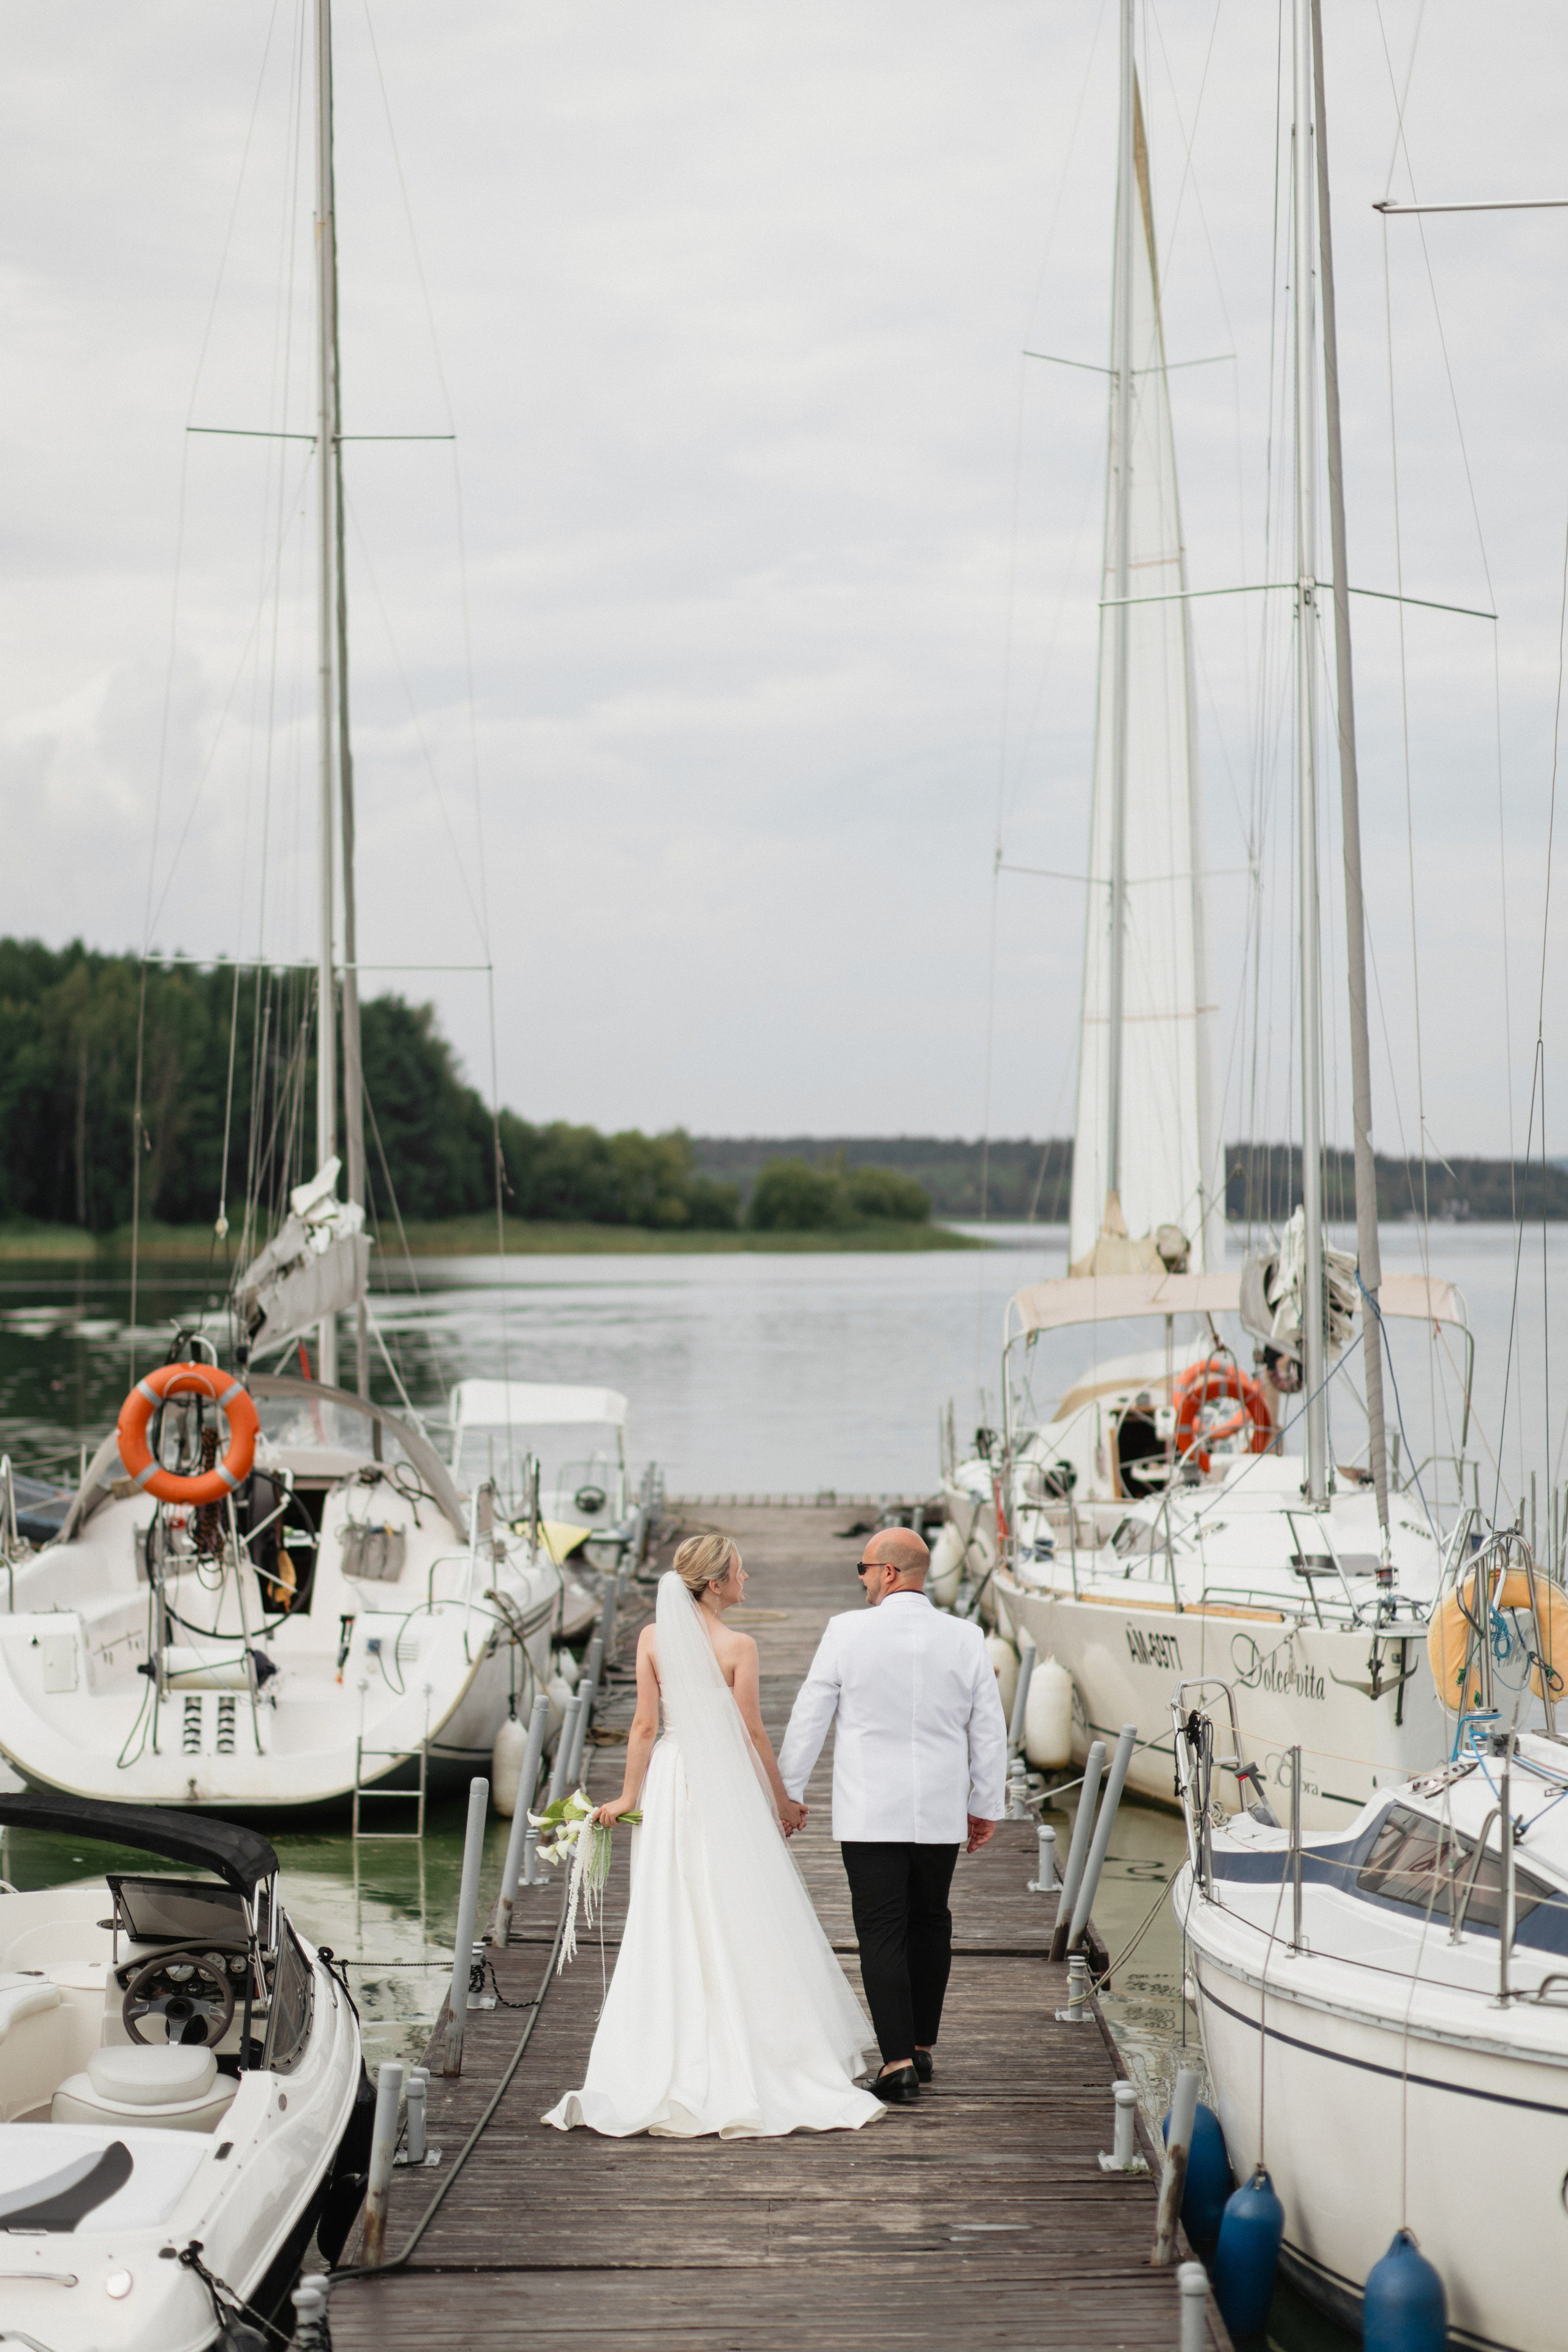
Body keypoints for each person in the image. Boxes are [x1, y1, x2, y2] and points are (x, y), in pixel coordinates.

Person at [542, 1532, 883, 2139]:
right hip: (723, 1778)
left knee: (671, 1901)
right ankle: (752, 2045)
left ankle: (667, 2047)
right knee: (735, 1902)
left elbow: (644, 1726)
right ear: (717, 1582)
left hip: (671, 1779)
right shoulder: (738, 1646)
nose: (747, 1579)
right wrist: (782, 1800)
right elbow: (752, 1733)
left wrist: (627, 1797)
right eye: (740, 1571)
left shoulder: (653, 1639)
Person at [777, 1526, 1007, 2105]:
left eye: (862, 1568)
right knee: (931, 1921)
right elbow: (988, 1727)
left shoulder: (846, 1631)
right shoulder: (965, 1637)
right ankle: (922, 2046)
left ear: (888, 1572)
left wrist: (788, 1793)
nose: (860, 1579)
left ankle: (898, 2062)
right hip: (939, 1809)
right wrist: (985, 1804)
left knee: (881, 1929)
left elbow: (810, 1715)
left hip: (870, 1810)